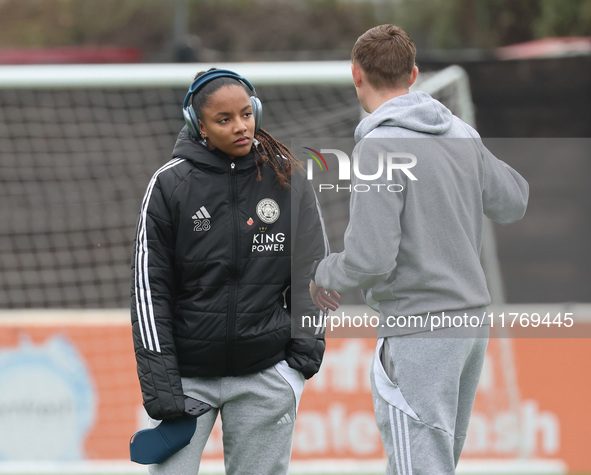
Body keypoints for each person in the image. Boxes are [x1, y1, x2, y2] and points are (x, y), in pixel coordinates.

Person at [310, 25, 529, 474]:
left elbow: (370, 260)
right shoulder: (460, 132)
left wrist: (320, 272)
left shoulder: (378, 146)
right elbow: (514, 200)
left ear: (357, 75)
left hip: (420, 328)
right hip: (469, 327)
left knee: (420, 468)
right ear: (412, 74)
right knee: (429, 465)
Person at [131, 68, 327, 474]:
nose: (241, 127)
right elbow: (150, 292)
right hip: (185, 382)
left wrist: (298, 363)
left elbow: (314, 270)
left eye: (245, 114)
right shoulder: (169, 185)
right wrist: (164, 391)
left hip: (266, 375)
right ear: (198, 125)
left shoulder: (286, 177)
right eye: (224, 119)